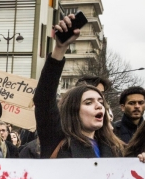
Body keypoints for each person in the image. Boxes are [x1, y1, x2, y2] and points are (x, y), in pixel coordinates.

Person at [34, 14, 123, 159]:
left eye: (101, 102)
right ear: (72, 111)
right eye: (89, 102)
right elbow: (43, 98)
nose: (99, 106)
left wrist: (141, 162)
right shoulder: (57, 139)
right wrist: (60, 49)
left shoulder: (114, 148)